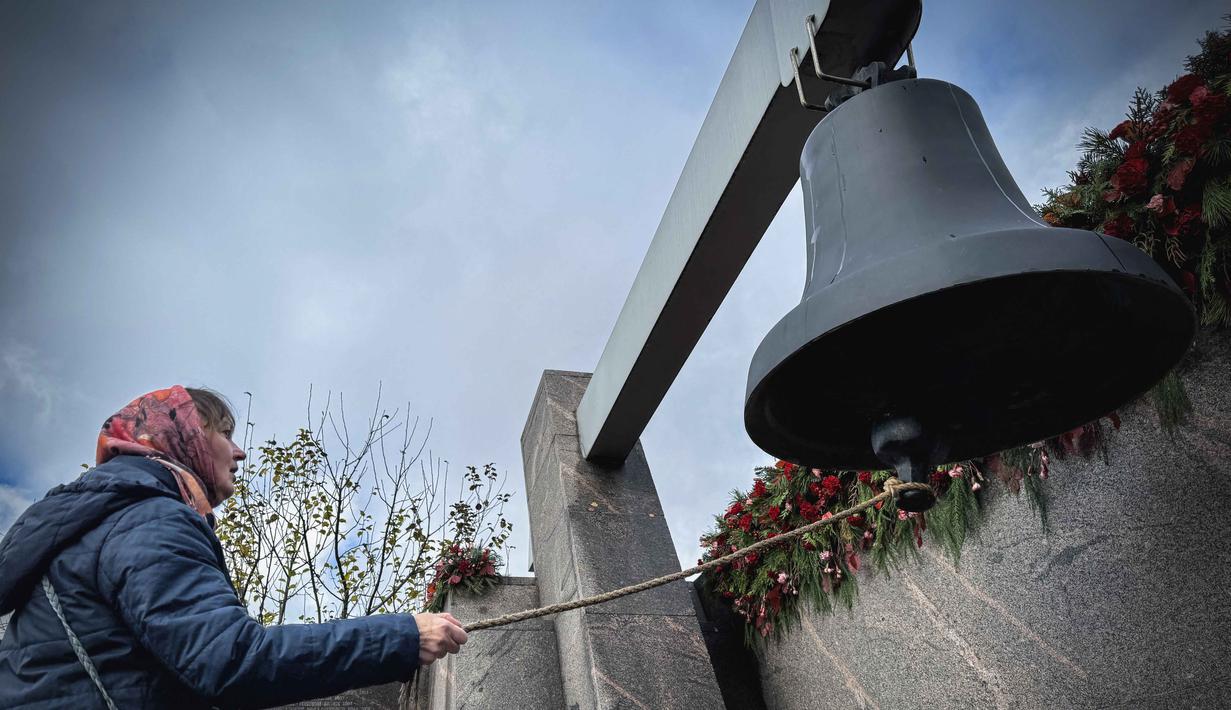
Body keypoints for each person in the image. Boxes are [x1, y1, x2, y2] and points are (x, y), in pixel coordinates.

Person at [0, 385, 468, 708]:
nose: (240, 451)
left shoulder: (100, 523)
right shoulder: (148, 518)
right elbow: (230, 660)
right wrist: (402, 636)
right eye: (224, 433)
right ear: (183, 437)